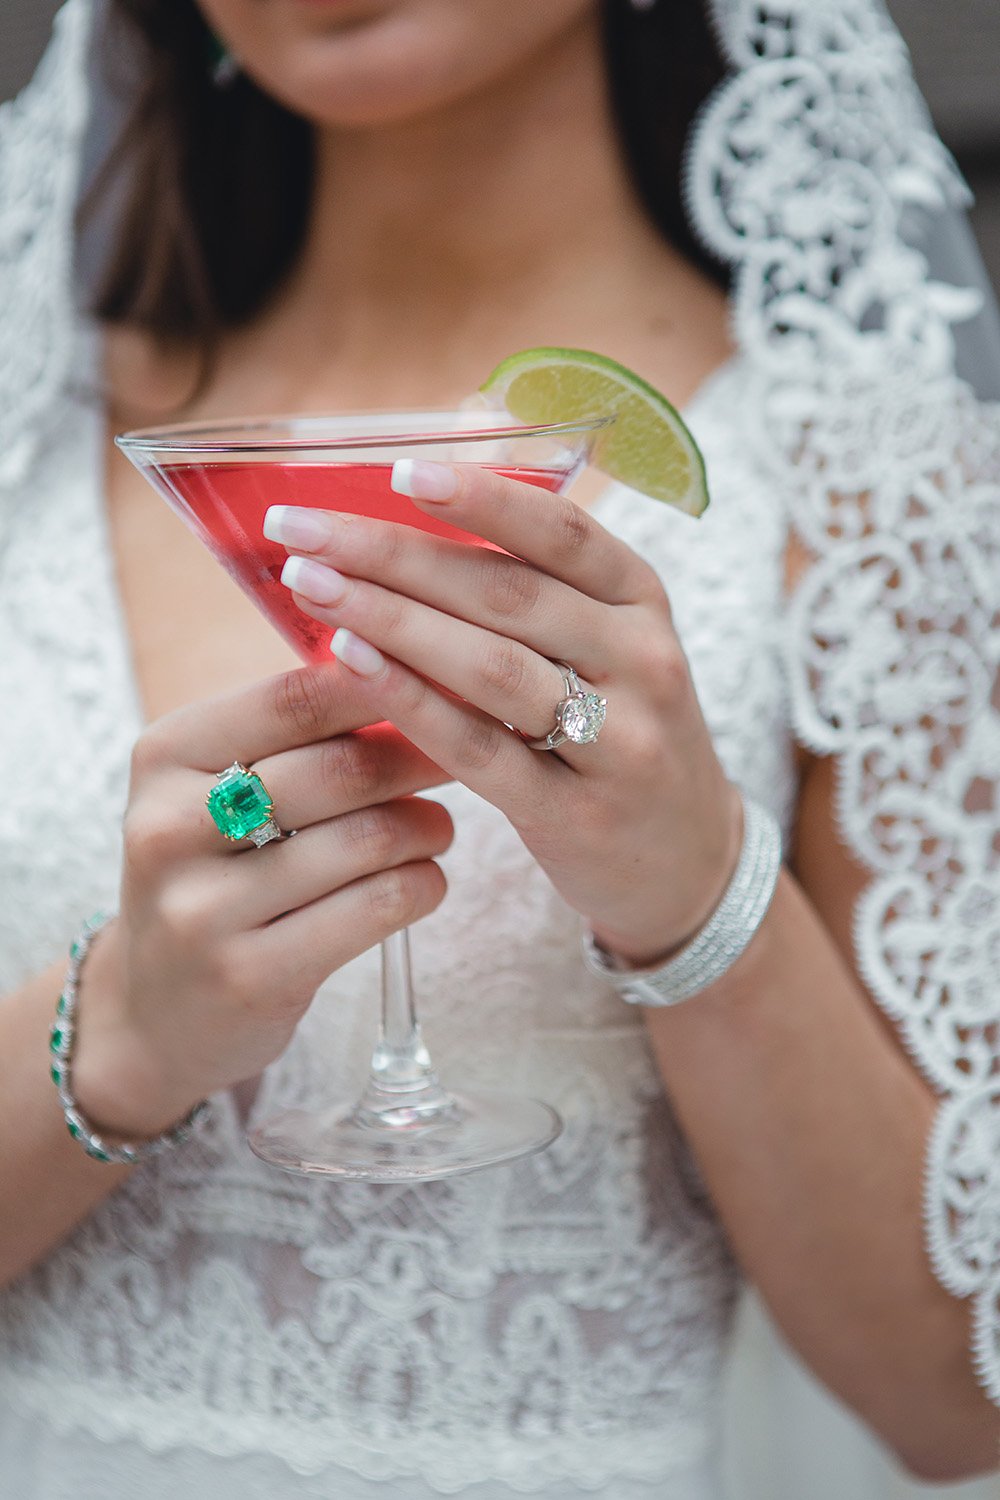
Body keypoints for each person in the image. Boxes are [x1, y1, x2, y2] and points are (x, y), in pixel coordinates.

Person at [0, 0, 997, 1496]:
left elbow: (953, 1405)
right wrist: (124, 1032)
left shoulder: (876, 484)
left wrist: (701, 889)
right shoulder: (25, 428)